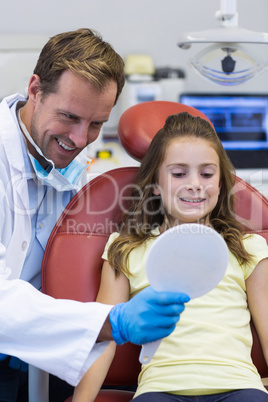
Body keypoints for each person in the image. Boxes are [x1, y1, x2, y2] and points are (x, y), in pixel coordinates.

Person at [0, 28, 190, 402]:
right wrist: (111, 322)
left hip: (43, 354)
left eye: (96, 124)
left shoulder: (68, 163)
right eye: (69, 116)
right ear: (35, 90)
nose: (80, 138)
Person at [73, 112, 268, 402]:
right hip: (160, 390)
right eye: (178, 174)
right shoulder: (126, 249)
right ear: (155, 184)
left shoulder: (248, 248)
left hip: (238, 386)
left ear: (221, 183)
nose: (195, 184)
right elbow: (103, 337)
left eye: (206, 173)